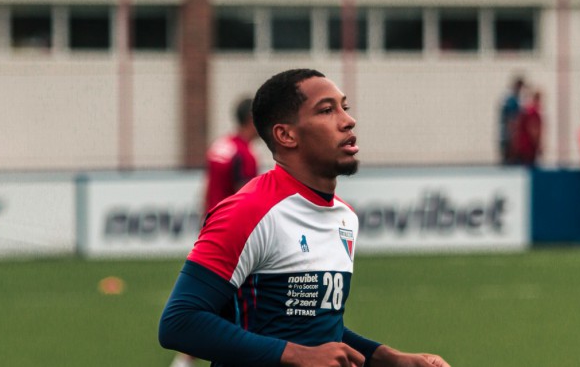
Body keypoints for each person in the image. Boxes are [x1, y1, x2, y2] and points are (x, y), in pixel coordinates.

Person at [159, 69, 450, 367]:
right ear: (286, 135)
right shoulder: (250, 211)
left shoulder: (345, 217)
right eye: (326, 110)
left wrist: (387, 358)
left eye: (344, 108)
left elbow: (311, 327)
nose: (348, 120)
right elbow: (179, 322)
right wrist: (298, 355)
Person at [169, 97, 260, 367]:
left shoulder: (220, 146)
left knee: (216, 297)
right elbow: (249, 200)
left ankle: (186, 358)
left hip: (212, 227)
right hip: (233, 238)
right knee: (239, 302)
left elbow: (208, 189)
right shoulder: (244, 155)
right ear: (251, 121)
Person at [499, 76, 525, 165]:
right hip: (509, 137)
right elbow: (511, 120)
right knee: (509, 163)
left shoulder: (513, 99)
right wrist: (513, 139)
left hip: (509, 137)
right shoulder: (511, 100)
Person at [514, 89, 542, 166]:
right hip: (529, 148)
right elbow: (533, 130)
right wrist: (538, 145)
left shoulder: (525, 111)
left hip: (522, 146)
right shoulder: (533, 112)